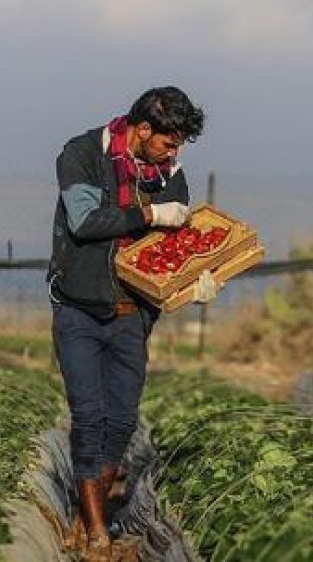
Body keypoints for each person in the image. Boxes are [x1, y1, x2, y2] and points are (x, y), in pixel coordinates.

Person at [47, 86, 214, 557]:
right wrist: (148, 212)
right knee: (88, 415)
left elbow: (169, 253)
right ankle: (98, 531)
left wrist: (193, 286)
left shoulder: (171, 175)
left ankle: (87, 510)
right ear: (143, 131)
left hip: (131, 314)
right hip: (78, 307)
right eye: (168, 142)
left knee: (120, 421)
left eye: (179, 144)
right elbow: (85, 221)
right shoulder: (82, 155)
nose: (173, 152)